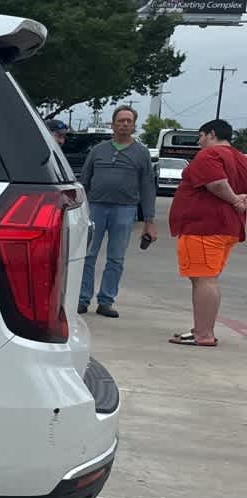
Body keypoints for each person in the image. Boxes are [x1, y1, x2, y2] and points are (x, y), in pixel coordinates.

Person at [167, 118, 247, 347]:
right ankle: (202, 329)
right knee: (206, 279)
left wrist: (235, 201)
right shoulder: (240, 158)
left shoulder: (209, 155)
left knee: (204, 281)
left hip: (204, 227)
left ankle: (203, 334)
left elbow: (217, 184)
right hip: (226, 228)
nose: (199, 142)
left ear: (211, 134)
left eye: (200, 136)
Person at [77, 105, 157, 317]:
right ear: (112, 124)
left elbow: (148, 187)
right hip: (95, 208)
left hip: (125, 210)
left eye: (128, 121)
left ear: (134, 126)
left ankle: (106, 301)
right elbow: (84, 181)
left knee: (116, 258)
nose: (124, 124)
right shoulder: (98, 150)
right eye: (120, 120)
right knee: (87, 255)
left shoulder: (141, 153)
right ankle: (82, 299)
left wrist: (149, 220)